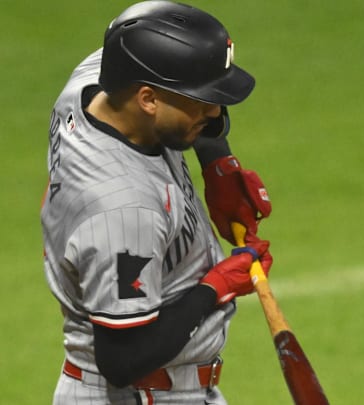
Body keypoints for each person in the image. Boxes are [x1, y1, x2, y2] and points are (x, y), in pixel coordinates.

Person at [41, 1, 273, 403]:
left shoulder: (92, 86)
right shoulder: (124, 210)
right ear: (148, 99)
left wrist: (217, 164)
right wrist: (216, 287)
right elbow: (123, 360)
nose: (215, 113)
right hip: (137, 394)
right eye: (202, 102)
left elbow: (162, 68)